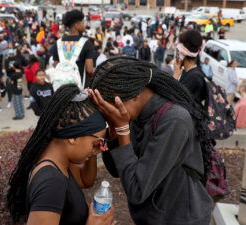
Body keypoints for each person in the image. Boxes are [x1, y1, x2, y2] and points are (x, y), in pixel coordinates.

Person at [89, 56, 212, 225]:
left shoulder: (174, 120)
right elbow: (116, 170)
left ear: (135, 94)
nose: (111, 111)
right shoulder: (135, 113)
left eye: (110, 105)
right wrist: (113, 128)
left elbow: (137, 190)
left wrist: (123, 129)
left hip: (180, 218)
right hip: (153, 216)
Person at [7, 84, 116, 225]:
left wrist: (93, 151)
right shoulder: (51, 182)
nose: (98, 146)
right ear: (73, 138)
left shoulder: (59, 160)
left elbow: (85, 181)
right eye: (96, 143)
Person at [51, 9, 95, 87]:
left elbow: (56, 65)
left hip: (61, 89)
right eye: (82, 23)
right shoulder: (86, 43)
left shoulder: (58, 43)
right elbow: (89, 70)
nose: (84, 26)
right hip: (79, 89)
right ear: (76, 25)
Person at [173, 30, 206, 104]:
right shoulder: (194, 73)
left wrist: (175, 76)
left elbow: (173, 101)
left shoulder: (193, 78)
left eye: (177, 50)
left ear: (181, 53)